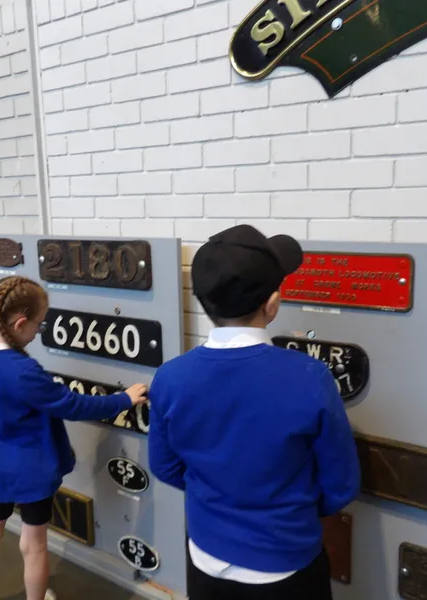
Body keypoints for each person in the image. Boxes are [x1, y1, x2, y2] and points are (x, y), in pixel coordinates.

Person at [147, 225, 361, 600]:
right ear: (273, 304)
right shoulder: (310, 377)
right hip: (287, 562)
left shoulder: (170, 378)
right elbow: (340, 484)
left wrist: (218, 496)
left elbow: (165, 466)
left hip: (205, 559)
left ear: (203, 303)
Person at [0, 276, 149, 600]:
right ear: (21, 322)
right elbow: (73, 404)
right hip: (30, 472)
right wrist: (122, 399)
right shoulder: (22, 371)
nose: (38, 333)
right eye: (39, 326)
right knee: (34, 543)